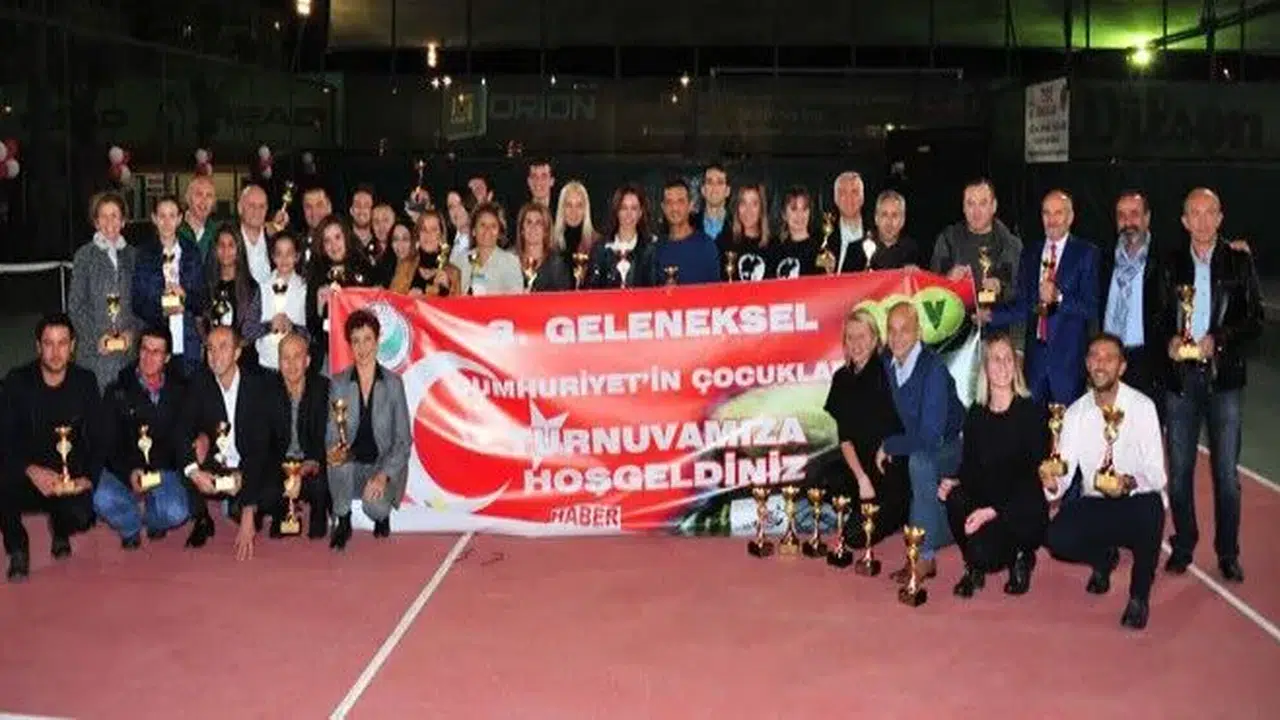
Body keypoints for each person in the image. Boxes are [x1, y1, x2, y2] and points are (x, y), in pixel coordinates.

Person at [1161, 188, 1264, 583]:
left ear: (1220, 218)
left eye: (1210, 213)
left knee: (1227, 476)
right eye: (1195, 213)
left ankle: (1228, 552)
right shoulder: (1170, 264)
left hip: (1225, 382)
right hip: (1181, 381)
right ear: (1184, 221)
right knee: (1179, 472)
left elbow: (1254, 320)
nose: (1202, 221)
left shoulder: (1239, 261)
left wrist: (1217, 340)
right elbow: (1158, 316)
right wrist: (1170, 341)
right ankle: (1184, 543)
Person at [1042, 333, 1167, 630]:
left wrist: (1128, 483)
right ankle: (1103, 558)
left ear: (1122, 367)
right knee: (1056, 537)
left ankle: (1138, 597)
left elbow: (1157, 475)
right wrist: (1051, 482)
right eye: (1094, 357)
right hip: (1096, 502)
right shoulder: (1075, 412)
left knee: (1152, 511)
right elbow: (1065, 475)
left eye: (1109, 358)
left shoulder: (1143, 407)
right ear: (1087, 364)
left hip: (1136, 501)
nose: (1100, 364)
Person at [939, 333, 1049, 598]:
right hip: (987, 501)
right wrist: (955, 481)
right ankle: (973, 565)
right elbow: (970, 467)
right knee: (953, 497)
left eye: (1008, 359)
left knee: (985, 553)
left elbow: (1031, 479)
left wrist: (992, 511)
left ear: (1016, 365)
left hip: (1019, 509)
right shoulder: (976, 414)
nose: (1002, 365)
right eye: (995, 359)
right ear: (985, 368)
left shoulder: (1031, 412)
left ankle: (1022, 555)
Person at [0, 314, 104, 581]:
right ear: (38, 347)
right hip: (28, 476)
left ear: (73, 346)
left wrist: (87, 479)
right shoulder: (17, 381)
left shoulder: (85, 382)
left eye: (62, 343)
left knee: (83, 515)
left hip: (67, 480)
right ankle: (18, 548)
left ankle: (60, 529)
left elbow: (98, 438)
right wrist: (30, 470)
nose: (56, 352)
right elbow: (4, 439)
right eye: (48, 343)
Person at [876, 302, 965, 581]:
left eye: (904, 330)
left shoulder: (932, 368)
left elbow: (930, 437)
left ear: (919, 333)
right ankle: (948, 530)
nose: (897, 337)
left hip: (952, 446)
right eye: (891, 330)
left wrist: (889, 446)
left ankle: (923, 558)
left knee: (920, 462)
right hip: (917, 442)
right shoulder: (887, 364)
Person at [987, 190, 1099, 405]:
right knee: (1033, 423)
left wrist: (1059, 298)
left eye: (1058, 213)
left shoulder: (1086, 253)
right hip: (1035, 361)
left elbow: (1090, 307)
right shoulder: (1030, 253)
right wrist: (990, 315)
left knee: (1067, 425)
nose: (1052, 219)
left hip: (1068, 363)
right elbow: (1024, 305)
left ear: (1070, 217)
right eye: (1046, 213)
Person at [180, 326, 279, 560]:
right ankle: (202, 517)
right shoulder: (199, 382)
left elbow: (260, 448)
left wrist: (248, 510)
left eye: (223, 347)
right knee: (189, 453)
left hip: (250, 463)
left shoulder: (258, 386)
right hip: (217, 463)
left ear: (237, 353)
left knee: (270, 494)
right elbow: (181, 430)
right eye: (210, 349)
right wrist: (195, 472)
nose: (215, 355)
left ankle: (240, 504)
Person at [818, 308, 909, 546]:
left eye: (862, 336)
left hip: (889, 469)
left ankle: (900, 511)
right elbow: (845, 438)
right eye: (851, 337)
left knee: (856, 538)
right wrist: (861, 479)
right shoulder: (841, 378)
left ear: (875, 339)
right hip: (860, 469)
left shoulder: (890, 372)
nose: (856, 343)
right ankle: (862, 507)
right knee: (822, 479)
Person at [95, 327, 191, 549]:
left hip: (162, 470)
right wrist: (129, 472)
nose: (148, 357)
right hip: (124, 469)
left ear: (167, 357)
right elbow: (108, 445)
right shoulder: (116, 391)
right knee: (100, 497)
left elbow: (183, 437)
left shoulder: (182, 390)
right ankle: (130, 526)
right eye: (145, 349)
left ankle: (154, 519)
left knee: (177, 512)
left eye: (156, 352)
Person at [327, 310, 412, 551]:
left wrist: (383, 475)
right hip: (352, 467)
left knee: (375, 508)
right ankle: (343, 520)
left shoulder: (394, 384)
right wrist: (336, 450)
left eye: (367, 339)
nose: (362, 348)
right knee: (338, 460)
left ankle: (382, 516)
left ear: (377, 341)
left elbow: (403, 441)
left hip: (381, 466)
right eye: (356, 341)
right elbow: (332, 433)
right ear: (349, 345)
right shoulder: (338, 383)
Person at [68, 192, 141, 391]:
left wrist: (132, 334)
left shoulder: (134, 256)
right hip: (94, 356)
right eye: (103, 216)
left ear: (123, 221)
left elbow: (141, 304)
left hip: (128, 354)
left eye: (114, 215)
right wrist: (96, 338)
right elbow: (76, 306)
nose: (109, 222)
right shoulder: (84, 256)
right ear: (96, 222)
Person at [265, 333, 332, 540]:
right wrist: (285, 472)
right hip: (281, 462)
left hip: (311, 461)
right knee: (266, 493)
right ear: (278, 362)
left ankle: (319, 512)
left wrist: (310, 463)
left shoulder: (323, 389)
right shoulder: (267, 390)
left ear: (308, 361)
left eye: (297, 357)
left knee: (320, 486)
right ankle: (284, 512)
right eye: (285, 358)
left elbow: (324, 435)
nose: (291, 364)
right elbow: (265, 440)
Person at [132, 195, 207, 378]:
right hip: (156, 342)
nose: (167, 222)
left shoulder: (191, 252)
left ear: (180, 218)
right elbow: (137, 303)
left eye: (172, 216)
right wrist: (161, 310)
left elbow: (202, 299)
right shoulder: (143, 254)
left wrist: (185, 298)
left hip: (187, 342)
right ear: (154, 218)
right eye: (162, 216)